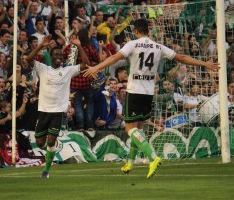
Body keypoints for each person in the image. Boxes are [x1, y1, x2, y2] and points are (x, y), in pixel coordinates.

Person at [83, 18, 219, 178]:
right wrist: (205, 64)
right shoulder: (158, 46)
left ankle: (153, 157)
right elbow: (182, 58)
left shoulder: (132, 44)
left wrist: (96, 67)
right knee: (138, 129)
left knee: (130, 129)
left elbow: (114, 58)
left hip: (134, 91)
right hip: (148, 93)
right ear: (148, 30)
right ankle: (130, 163)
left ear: (135, 31)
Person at [27, 34, 89, 178]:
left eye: (61, 55)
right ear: (51, 56)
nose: (59, 57)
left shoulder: (67, 71)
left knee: (51, 140)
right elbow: (29, 59)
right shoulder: (43, 69)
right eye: (56, 54)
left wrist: (79, 46)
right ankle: (50, 154)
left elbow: (85, 64)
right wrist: (41, 46)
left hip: (57, 113)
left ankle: (46, 170)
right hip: (43, 112)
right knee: (40, 142)